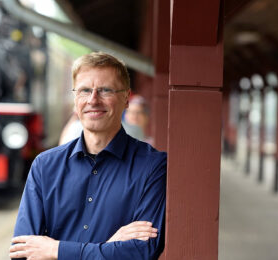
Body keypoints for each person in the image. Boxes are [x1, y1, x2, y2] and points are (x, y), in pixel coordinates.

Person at [10, 52, 167, 260]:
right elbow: (22, 253)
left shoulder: (153, 166)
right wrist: (107, 247)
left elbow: (141, 252)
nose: (93, 100)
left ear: (126, 99)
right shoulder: (44, 166)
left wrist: (55, 250)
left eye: (105, 90)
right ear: (75, 100)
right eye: (85, 90)